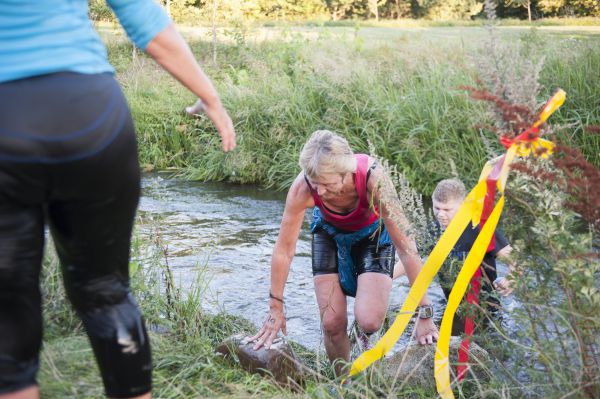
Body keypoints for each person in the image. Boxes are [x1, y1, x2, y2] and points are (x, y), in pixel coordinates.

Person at [0, 1, 235, 398]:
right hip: (94, 113)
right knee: (106, 291)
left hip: (8, 116)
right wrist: (208, 95)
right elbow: (146, 22)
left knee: (8, 303)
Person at [250, 130, 438, 377]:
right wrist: (276, 307)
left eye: (327, 184)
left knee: (369, 320)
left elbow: (405, 246)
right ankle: (343, 382)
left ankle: (380, 283)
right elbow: (284, 250)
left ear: (347, 173)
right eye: (315, 183)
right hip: (328, 233)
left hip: (373, 235)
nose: (320, 192)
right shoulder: (304, 187)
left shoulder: (373, 180)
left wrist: (423, 313)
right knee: (332, 323)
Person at [430, 178, 515, 334]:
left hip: (485, 309)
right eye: (437, 208)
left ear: (463, 207)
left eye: (447, 210)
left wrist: (510, 279)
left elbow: (513, 257)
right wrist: (388, 277)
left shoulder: (479, 228)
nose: (440, 215)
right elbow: (413, 258)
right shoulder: (433, 230)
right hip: (454, 307)